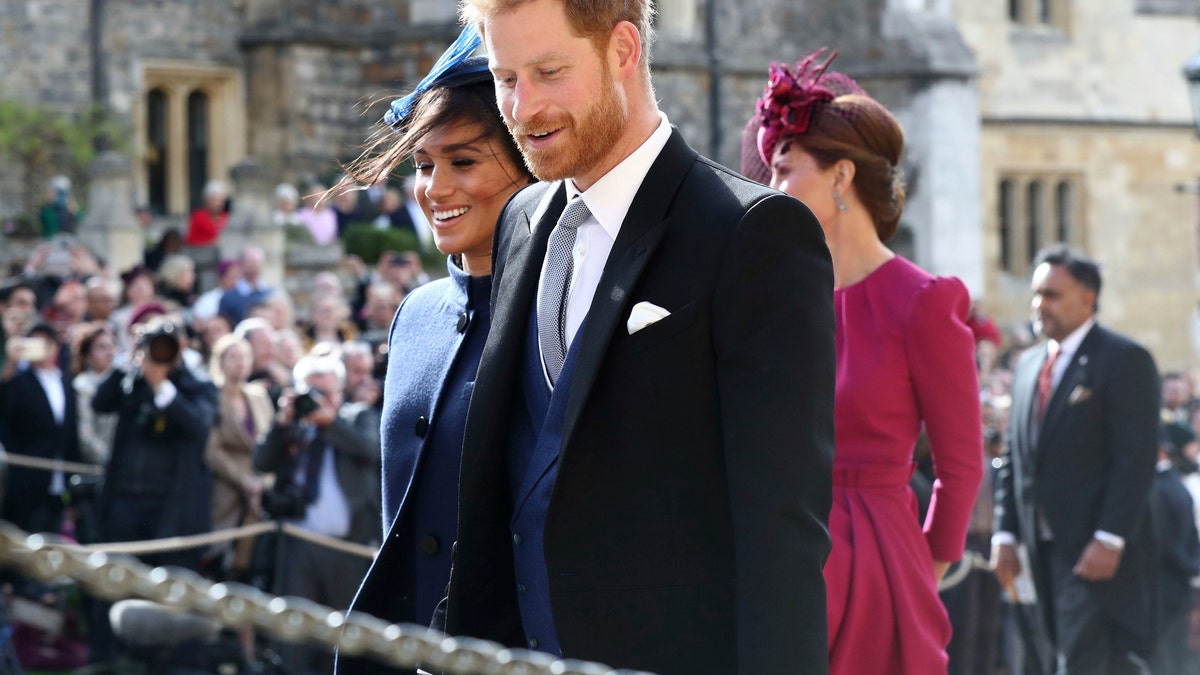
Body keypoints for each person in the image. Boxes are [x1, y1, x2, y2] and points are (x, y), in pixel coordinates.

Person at [443, 3, 835, 672]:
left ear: (623, 50)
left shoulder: (754, 235)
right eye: (506, 78)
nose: (522, 107)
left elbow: (782, 530)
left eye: (549, 71)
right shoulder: (519, 222)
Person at [749, 50, 984, 674]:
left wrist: (919, 567)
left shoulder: (924, 302)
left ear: (839, 176)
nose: (772, 189)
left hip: (882, 560)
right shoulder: (783, 300)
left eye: (784, 169)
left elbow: (960, 467)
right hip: (785, 552)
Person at [330, 30, 534, 674]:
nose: (435, 188)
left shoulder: (561, 313)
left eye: (464, 162)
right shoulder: (415, 314)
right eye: (423, 165)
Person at [992, 244, 1161, 675]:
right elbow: (1015, 457)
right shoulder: (1029, 365)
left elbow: (1135, 458)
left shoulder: (1124, 360)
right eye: (1036, 294)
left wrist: (1110, 537)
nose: (1038, 305)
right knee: (1056, 656)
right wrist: (1005, 535)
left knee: (1081, 660)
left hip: (1093, 550)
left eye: (1051, 295)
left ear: (1088, 298)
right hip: (1038, 547)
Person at [253, 352, 381, 675]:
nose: (317, 402)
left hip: (348, 548)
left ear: (339, 392)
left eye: (325, 393)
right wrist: (282, 424)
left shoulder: (356, 416)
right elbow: (261, 462)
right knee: (294, 634)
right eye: (311, 393)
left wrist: (330, 423)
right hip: (298, 545)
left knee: (339, 637)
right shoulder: (292, 425)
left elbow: (371, 449)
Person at [0, 323, 82, 535]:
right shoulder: (18, 382)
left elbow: (70, 432)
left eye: (45, 343)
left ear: (56, 346)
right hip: (26, 479)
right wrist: (10, 363)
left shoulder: (66, 381)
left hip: (59, 478)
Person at [1149, 423, 1200, 675]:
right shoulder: (1172, 486)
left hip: (1168, 585)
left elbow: (1170, 542)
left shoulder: (1160, 487)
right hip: (1176, 585)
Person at [72, 322, 118, 466]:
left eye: (111, 346)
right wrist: (111, 461)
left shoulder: (123, 382)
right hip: (97, 467)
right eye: (101, 347)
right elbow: (86, 435)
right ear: (87, 355)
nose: (109, 352)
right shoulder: (82, 386)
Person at [185, 180, 230, 247]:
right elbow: (191, 239)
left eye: (221, 200)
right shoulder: (199, 216)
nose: (218, 203)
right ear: (207, 200)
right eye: (215, 200)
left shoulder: (225, 216)